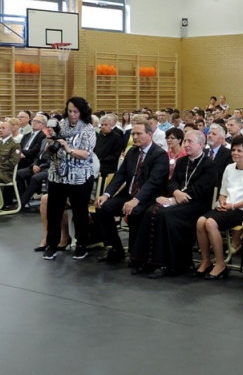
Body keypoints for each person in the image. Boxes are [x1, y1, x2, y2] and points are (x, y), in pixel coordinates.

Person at [130, 130, 217, 277]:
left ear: (201, 144)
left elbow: (201, 189)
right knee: (151, 211)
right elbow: (172, 182)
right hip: (179, 200)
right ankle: (146, 261)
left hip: (196, 205)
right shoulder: (182, 161)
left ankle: (168, 264)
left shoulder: (208, 164)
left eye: (190, 142)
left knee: (165, 215)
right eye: (185, 141)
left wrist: (172, 200)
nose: (186, 145)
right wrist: (176, 193)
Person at [94, 117, 169, 264]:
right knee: (103, 207)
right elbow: (120, 175)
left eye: (138, 134)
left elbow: (153, 183)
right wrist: (106, 194)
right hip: (129, 194)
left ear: (149, 134)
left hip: (148, 198)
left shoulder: (159, 154)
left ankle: (137, 254)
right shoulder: (132, 152)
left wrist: (136, 200)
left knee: (135, 212)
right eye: (133, 134)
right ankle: (116, 249)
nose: (134, 137)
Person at [195, 135, 243, 279]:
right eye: (233, 150)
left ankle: (220, 263)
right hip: (228, 207)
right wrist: (223, 202)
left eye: (239, 151)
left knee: (211, 223)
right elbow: (223, 192)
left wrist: (232, 205)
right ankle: (206, 260)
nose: (235, 153)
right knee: (201, 221)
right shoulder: (229, 168)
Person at [42, 97, 97, 261]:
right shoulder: (61, 126)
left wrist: (68, 148)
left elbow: (86, 154)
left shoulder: (88, 129)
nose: (72, 114)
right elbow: (52, 148)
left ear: (82, 112)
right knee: (54, 212)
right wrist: (49, 146)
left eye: (76, 111)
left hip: (79, 178)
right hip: (58, 176)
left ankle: (81, 245)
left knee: (80, 213)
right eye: (70, 111)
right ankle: (52, 245)